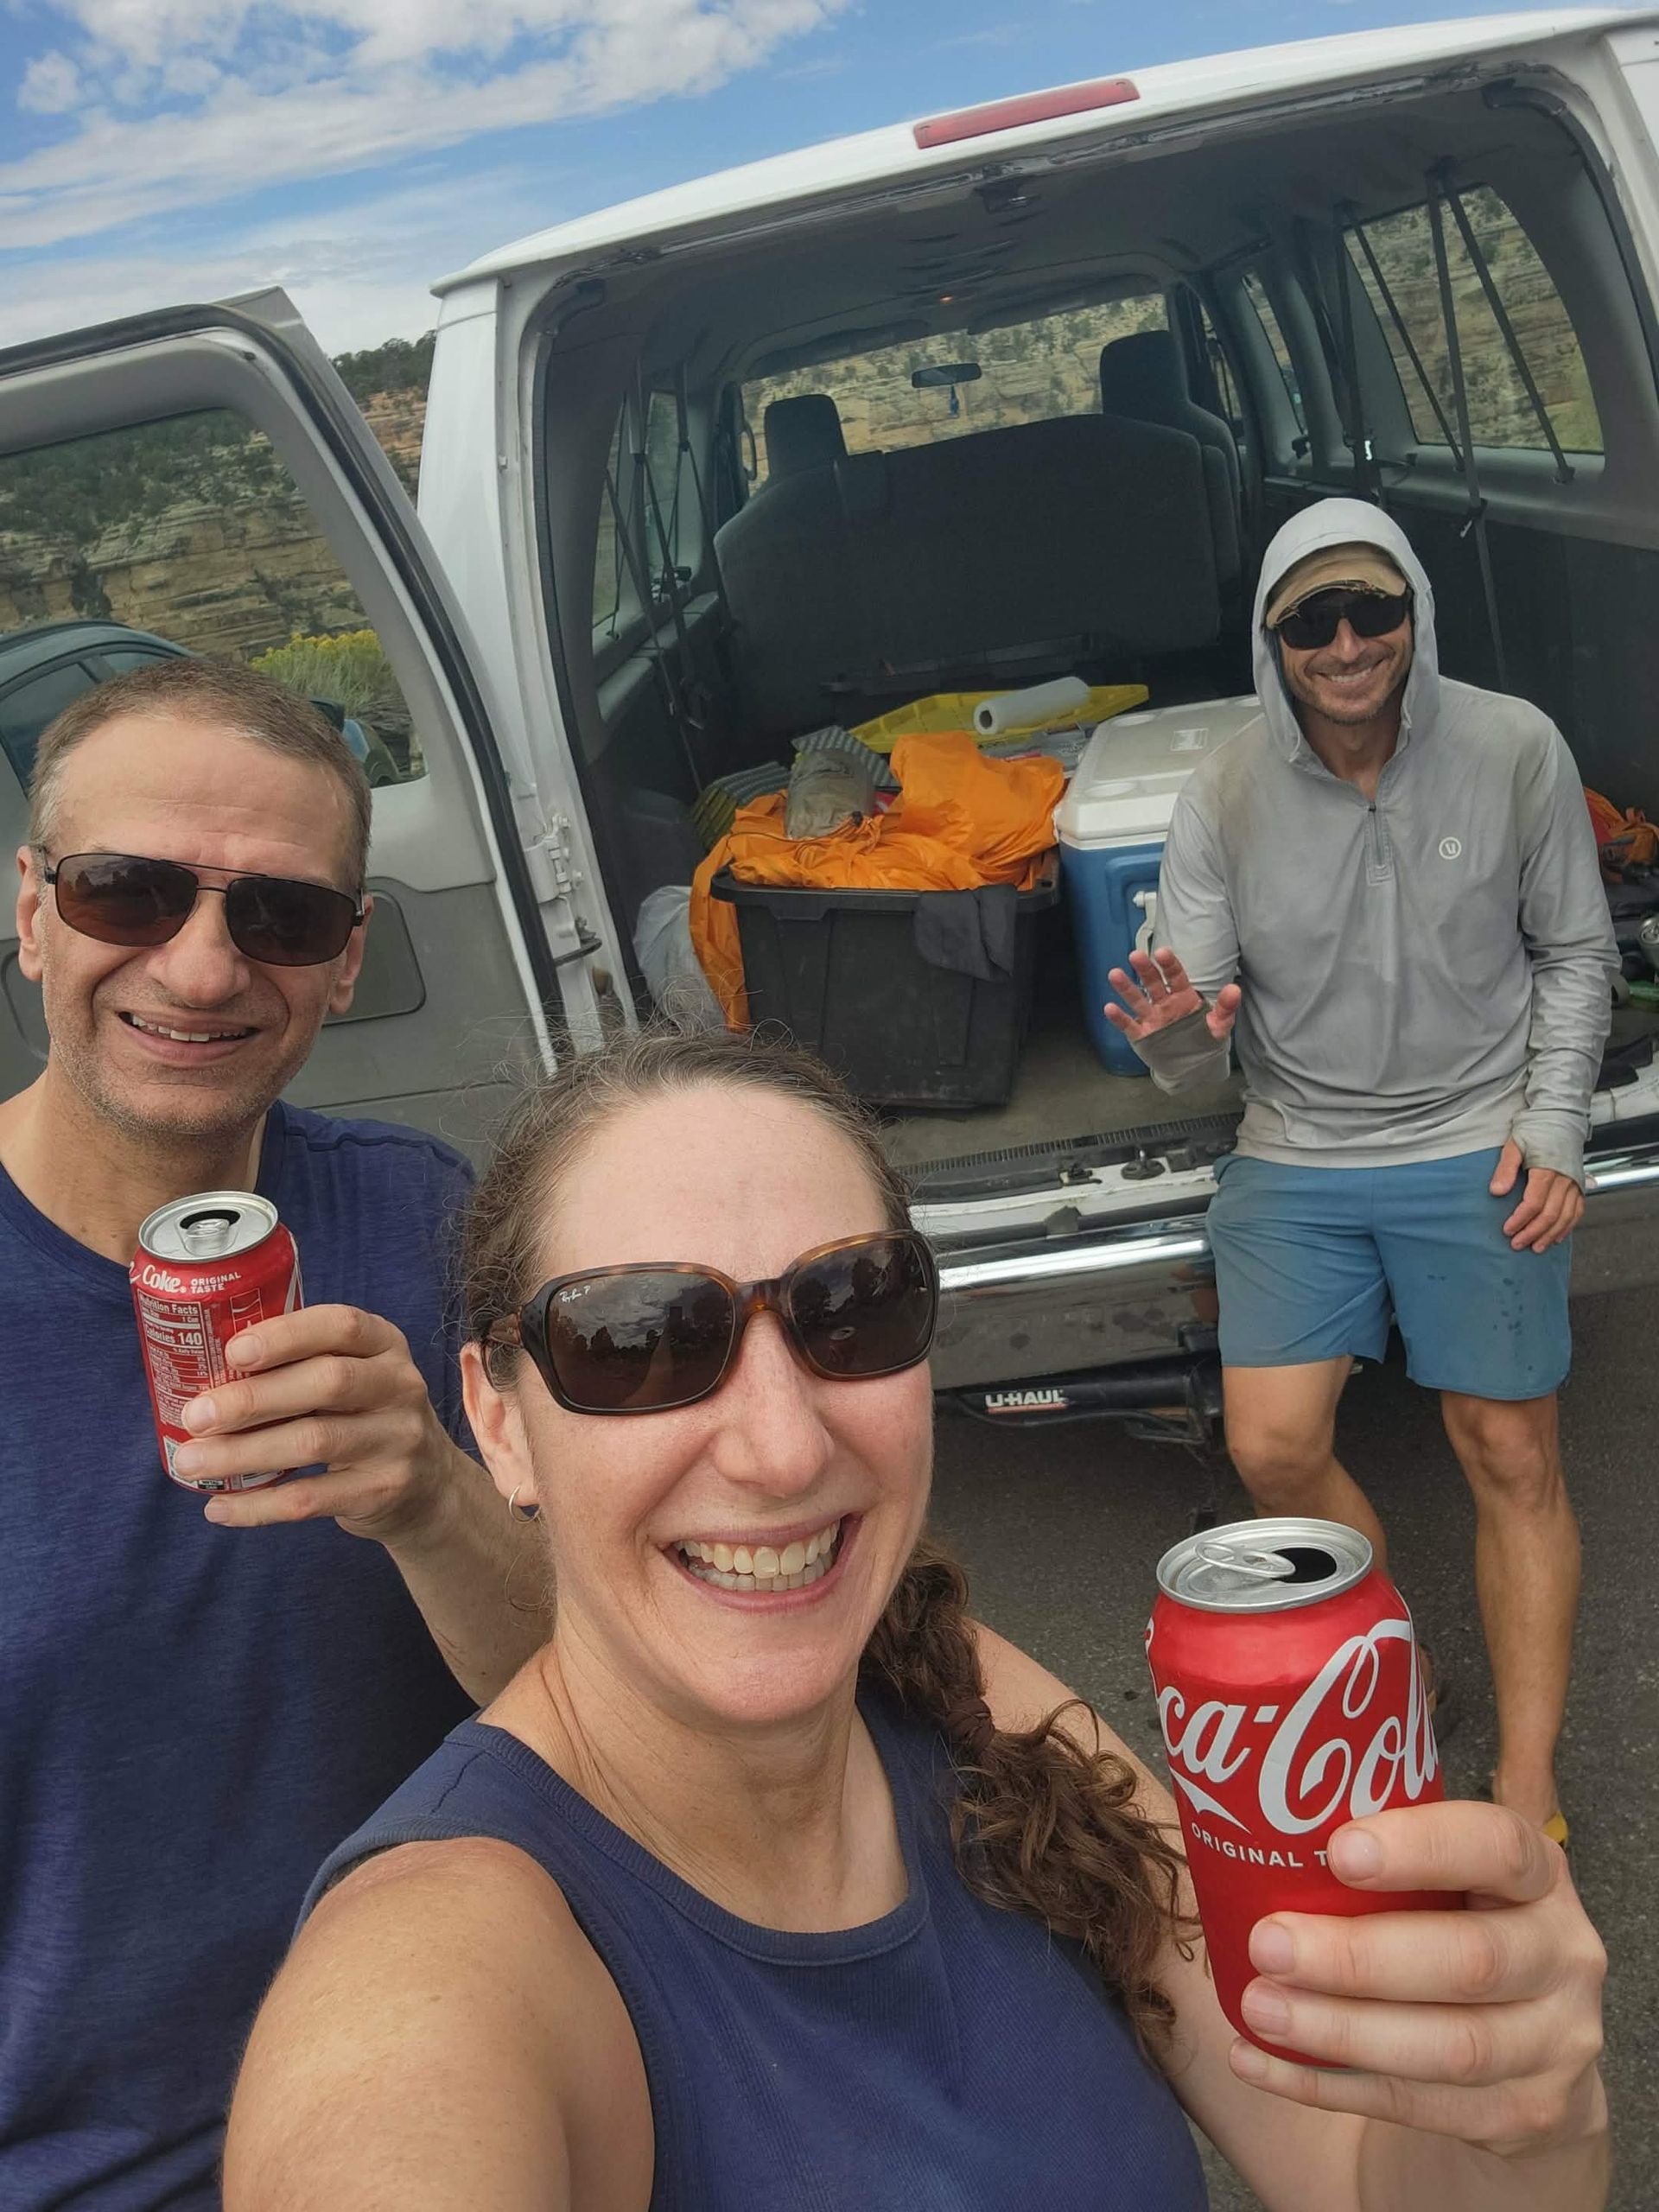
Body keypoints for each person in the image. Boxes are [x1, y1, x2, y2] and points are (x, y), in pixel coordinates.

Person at [225, 1028, 1608, 2212]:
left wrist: (1515, 2118)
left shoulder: (964, 1696)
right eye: (638, 1340)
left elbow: (1351, 2160)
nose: (778, 1447)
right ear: (497, 1424)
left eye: (852, 1307)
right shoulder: (442, 1960)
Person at [0, 658, 550, 2209]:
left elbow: (602, 1706)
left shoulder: (429, 1218)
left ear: (346, 958)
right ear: (32, 908)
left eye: (282, 917)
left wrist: (438, 1500)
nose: (199, 970)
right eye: (128, 893)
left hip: (473, 2100)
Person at [1103, 499, 1616, 1850]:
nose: (1347, 645)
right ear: (1275, 640)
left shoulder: (1513, 747)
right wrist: (1167, 1045)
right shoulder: (1222, 792)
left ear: (1413, 616)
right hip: (1298, 1149)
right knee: (1274, 1445)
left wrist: (1553, 1129)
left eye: (1371, 611)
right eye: (1312, 621)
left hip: (1476, 1134)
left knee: (1509, 1450)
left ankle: (1526, 1781)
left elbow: (1576, 953)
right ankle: (1401, 1665)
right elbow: (1200, 1050)